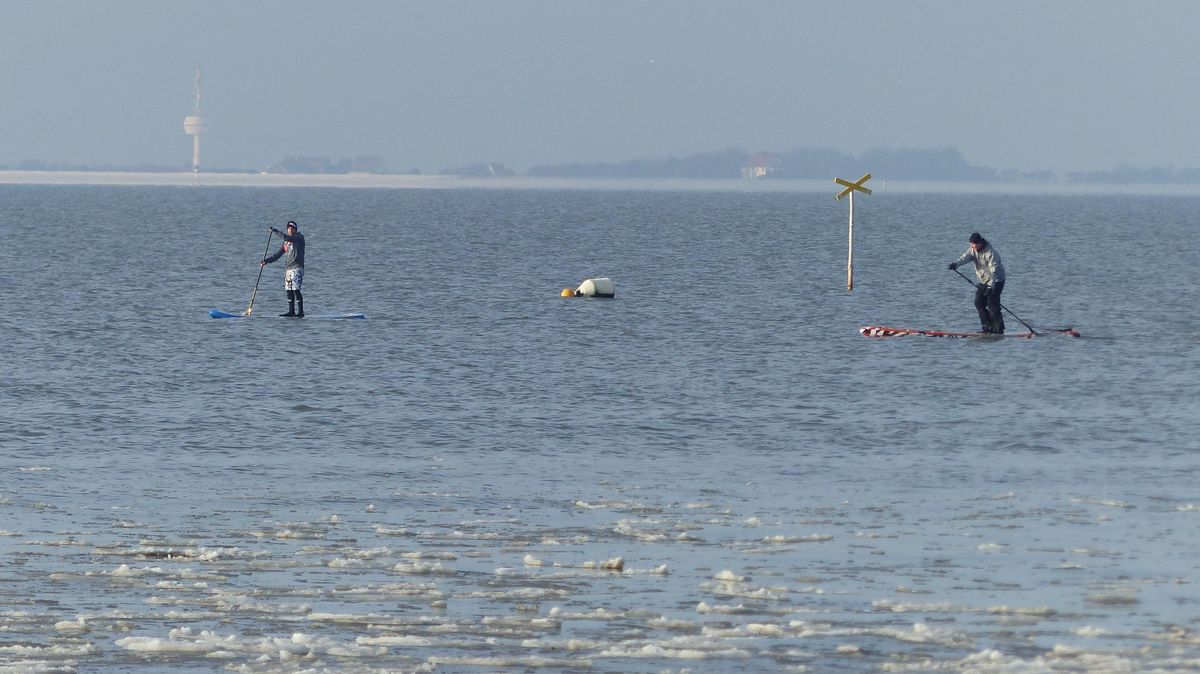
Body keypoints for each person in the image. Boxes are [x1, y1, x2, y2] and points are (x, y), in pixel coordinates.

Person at [949, 232, 1005, 334]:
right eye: (970, 244)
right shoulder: (972, 250)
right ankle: (987, 327)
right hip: (983, 280)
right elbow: (964, 258)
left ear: (980, 243)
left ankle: (998, 330)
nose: (971, 246)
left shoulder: (991, 253)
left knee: (992, 304)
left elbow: (994, 272)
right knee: (978, 302)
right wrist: (955, 264)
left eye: (973, 244)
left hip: (997, 280)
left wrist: (990, 287)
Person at [262, 220, 306, 317]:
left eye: (292, 228)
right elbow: (278, 254)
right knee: (288, 290)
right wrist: (266, 261)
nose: (290, 229)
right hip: (288, 268)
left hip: (297, 267)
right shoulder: (286, 243)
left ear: (295, 229)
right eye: (288, 228)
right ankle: (291, 311)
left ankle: (301, 312)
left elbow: (286, 237)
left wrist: (275, 231)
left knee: (296, 289)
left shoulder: (299, 238)